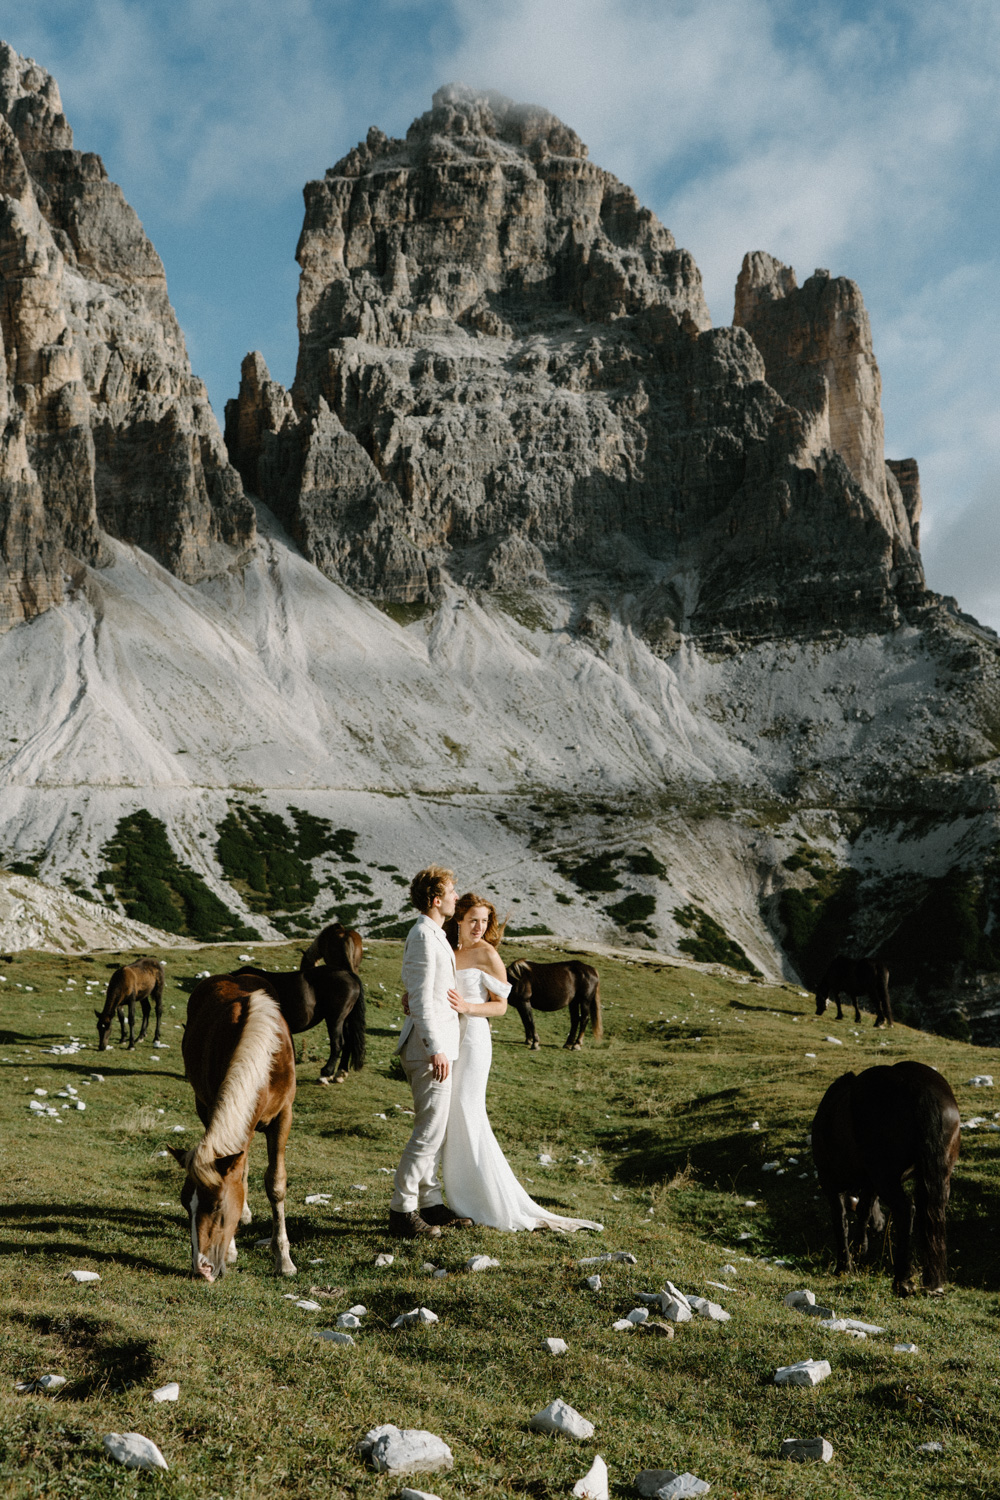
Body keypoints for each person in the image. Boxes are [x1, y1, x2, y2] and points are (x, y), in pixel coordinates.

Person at [440, 891, 603, 1234]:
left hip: (472, 1037)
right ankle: (459, 1196)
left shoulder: (487, 954)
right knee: (452, 1114)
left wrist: (468, 1008)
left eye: (484, 921)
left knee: (469, 1110)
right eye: (473, 920)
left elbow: (501, 1005)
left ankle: (486, 1199)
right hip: (446, 1037)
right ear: (459, 919)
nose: (479, 927)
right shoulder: (446, 949)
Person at [388, 865, 473, 1239]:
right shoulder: (424, 934)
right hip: (428, 1051)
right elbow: (420, 998)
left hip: (433, 1047)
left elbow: (421, 991)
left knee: (433, 1131)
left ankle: (430, 1202)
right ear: (436, 900)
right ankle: (402, 1210)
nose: (457, 897)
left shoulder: (432, 933)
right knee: (428, 1132)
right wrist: (436, 1048)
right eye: (452, 892)